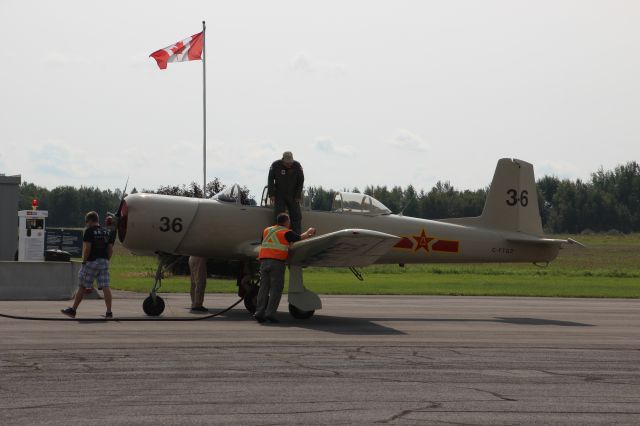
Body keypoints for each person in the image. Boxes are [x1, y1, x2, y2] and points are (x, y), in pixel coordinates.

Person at [254, 212, 316, 324]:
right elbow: (299, 238)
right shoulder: (286, 232)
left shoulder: (267, 230)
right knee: (275, 289)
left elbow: (266, 243)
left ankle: (259, 312)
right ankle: (270, 314)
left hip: (263, 262)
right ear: (286, 222)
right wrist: (309, 232)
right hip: (276, 263)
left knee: (263, 288)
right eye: (289, 221)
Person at [61, 211, 114, 318]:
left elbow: (87, 249)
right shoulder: (107, 232)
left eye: (86, 221)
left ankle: (73, 310)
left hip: (92, 261)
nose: (86, 223)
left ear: (90, 220)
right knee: (106, 286)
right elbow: (110, 249)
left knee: (82, 286)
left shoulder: (89, 231)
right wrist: (106, 259)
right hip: (104, 261)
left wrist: (84, 262)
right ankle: (109, 312)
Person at [268, 151, 304, 234]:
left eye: (290, 163)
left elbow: (301, 181)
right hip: (280, 194)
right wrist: (272, 194)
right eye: (287, 163)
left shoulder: (297, 166)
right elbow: (270, 180)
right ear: (283, 160)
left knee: (296, 215)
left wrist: (298, 195)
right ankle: (278, 235)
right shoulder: (275, 165)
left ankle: (296, 236)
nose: (289, 165)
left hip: (293, 195)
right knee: (279, 216)